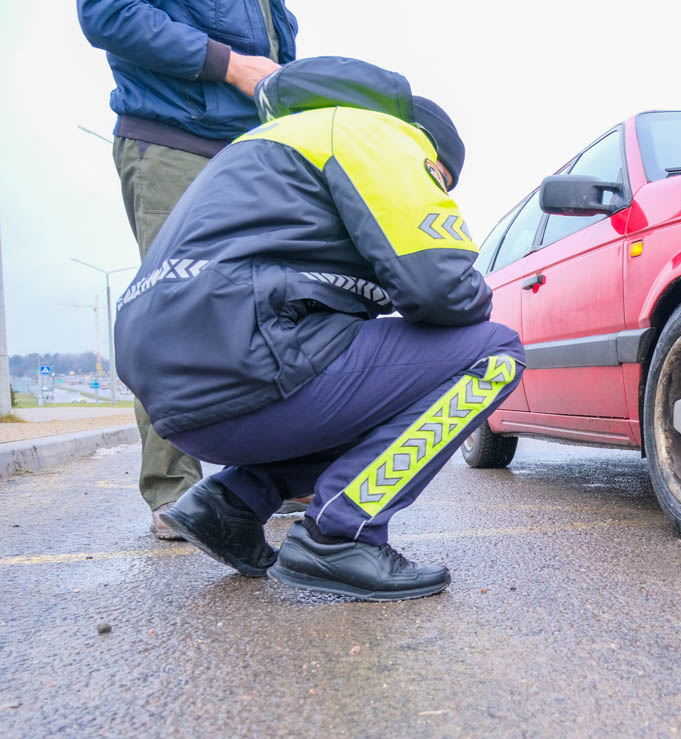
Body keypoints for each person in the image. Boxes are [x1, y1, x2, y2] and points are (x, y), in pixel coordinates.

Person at [113, 56, 525, 601]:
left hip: (181, 389)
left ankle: (228, 504)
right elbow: (440, 290)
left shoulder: (275, 144)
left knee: (378, 385)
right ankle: (340, 534)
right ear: (432, 155)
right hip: (246, 357)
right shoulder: (381, 136)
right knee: (494, 352)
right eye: (440, 183)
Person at [78, 0, 305, 539]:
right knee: (174, 315)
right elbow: (108, 15)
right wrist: (230, 64)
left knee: (270, 310)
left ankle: (273, 477)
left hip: (252, 150)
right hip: (175, 142)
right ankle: (175, 490)